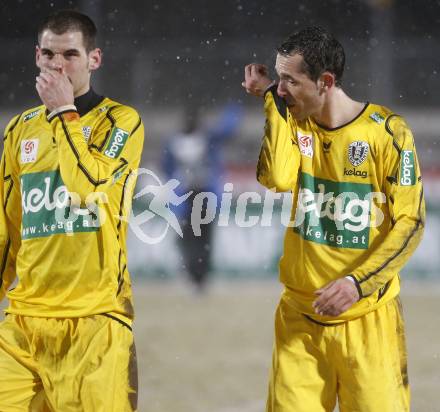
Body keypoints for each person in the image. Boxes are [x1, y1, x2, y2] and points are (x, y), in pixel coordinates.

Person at [242, 26, 424, 412]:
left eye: (290, 80)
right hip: (299, 322)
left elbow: (410, 224)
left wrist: (357, 284)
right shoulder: (295, 122)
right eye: (278, 78)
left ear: (325, 81)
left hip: (369, 321)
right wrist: (272, 103)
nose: (281, 88)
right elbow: (276, 177)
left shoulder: (388, 134)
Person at [0, 10, 144, 411]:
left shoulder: (121, 122)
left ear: (93, 59)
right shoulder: (20, 130)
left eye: (70, 54)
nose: (57, 64)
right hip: (23, 325)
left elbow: (88, 188)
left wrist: (66, 112)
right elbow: (8, 229)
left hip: (95, 321)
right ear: (36, 56)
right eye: (48, 54)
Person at [162, 104, 241, 290]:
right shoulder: (194, 140)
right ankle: (194, 276)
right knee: (193, 239)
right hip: (188, 197)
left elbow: (227, 130)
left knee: (200, 238)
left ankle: (199, 277)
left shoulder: (196, 140)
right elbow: (167, 168)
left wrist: (235, 110)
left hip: (202, 195)